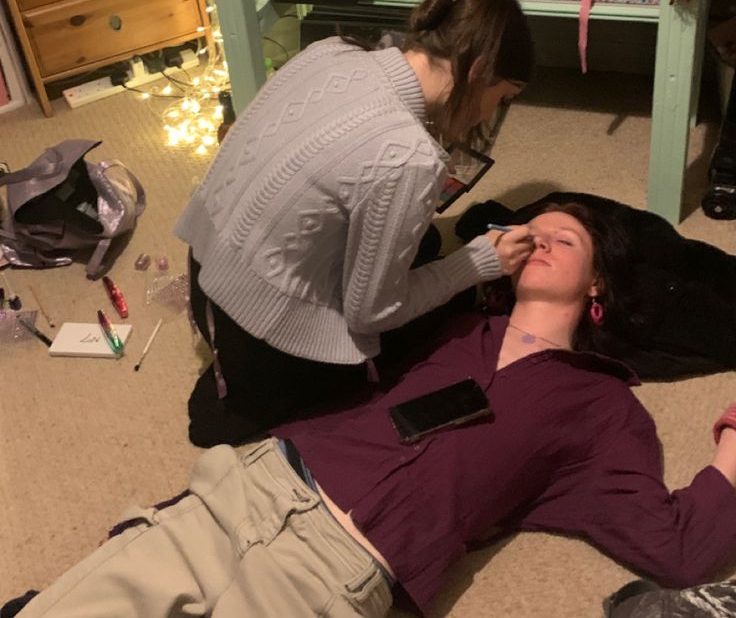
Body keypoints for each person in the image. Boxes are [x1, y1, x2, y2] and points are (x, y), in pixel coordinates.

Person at [9, 204, 736, 618]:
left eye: (565, 238)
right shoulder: (445, 325)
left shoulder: (604, 405)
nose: (539, 239)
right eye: (533, 231)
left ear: (598, 284)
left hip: (330, 571)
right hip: (246, 488)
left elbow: (676, 546)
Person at [177, 0, 535, 447]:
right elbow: (373, 315)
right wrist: (475, 263)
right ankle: (259, 389)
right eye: (501, 98)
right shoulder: (410, 158)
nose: (492, 113)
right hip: (256, 334)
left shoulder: (330, 51)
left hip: (208, 272)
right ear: (477, 73)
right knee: (432, 311)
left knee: (423, 241)